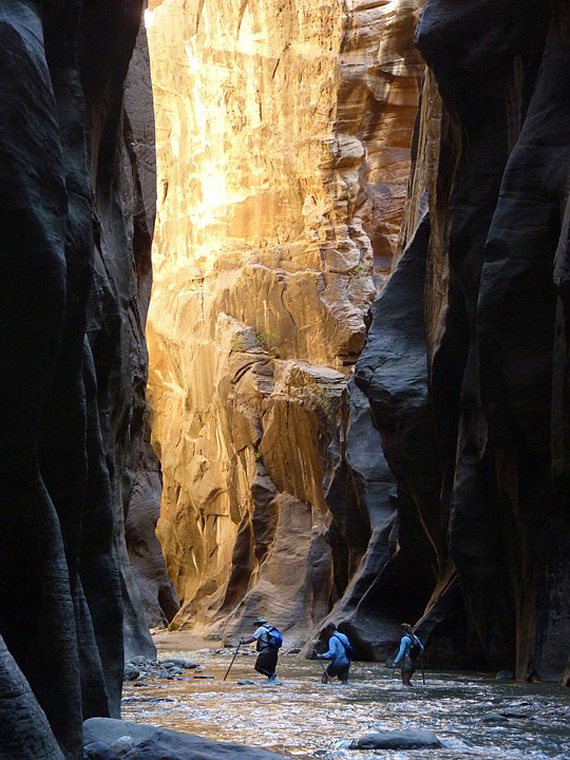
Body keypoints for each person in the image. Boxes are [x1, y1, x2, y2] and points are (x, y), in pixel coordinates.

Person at [240, 616, 279, 681]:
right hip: (275, 651)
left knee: (258, 667)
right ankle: (272, 683)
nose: (257, 626)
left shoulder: (261, 629)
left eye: (257, 624)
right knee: (271, 669)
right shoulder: (271, 628)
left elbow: (253, 639)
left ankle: (272, 676)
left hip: (266, 651)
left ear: (259, 623)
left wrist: (243, 642)